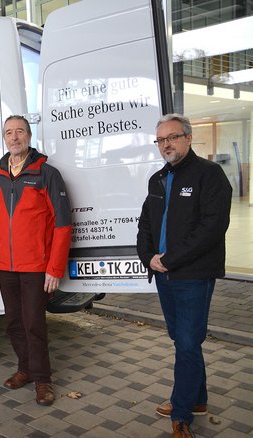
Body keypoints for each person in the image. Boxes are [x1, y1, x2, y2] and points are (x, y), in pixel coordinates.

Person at [137, 114, 231, 438]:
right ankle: (198, 399)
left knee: (188, 342)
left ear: (189, 138)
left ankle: (181, 414)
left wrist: (170, 259)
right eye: (161, 140)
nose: (166, 144)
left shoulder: (210, 175)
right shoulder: (157, 180)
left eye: (172, 138)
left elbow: (212, 228)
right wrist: (148, 257)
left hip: (192, 275)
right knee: (183, 340)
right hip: (163, 276)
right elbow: (145, 225)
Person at [0, 115, 72, 406]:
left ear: (29, 135)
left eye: (19, 131)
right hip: (6, 266)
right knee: (13, 322)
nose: (14, 137)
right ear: (4, 138)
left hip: (36, 266)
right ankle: (24, 368)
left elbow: (62, 224)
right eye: (9, 133)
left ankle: (43, 380)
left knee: (34, 323)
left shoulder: (46, 173)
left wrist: (55, 268)